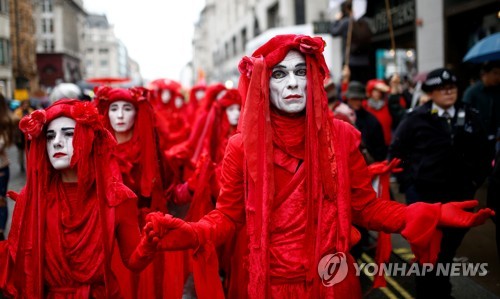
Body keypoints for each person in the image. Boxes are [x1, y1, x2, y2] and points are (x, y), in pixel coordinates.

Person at [144, 35, 494, 299]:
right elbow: (228, 217)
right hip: (265, 281)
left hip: (330, 279)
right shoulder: (242, 146)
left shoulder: (340, 137)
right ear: (263, 84)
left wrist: (426, 213)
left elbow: (365, 207)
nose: (293, 82)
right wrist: (192, 232)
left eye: (300, 71)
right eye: (279, 74)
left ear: (313, 79)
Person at [0, 99, 161, 298]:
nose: (57, 142)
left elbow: (133, 261)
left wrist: (148, 245)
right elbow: (19, 265)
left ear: (88, 138)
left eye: (68, 134)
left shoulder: (118, 197)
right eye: (50, 136)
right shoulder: (32, 197)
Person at [390, 68, 492, 298]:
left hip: (460, 198)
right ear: (430, 92)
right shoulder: (416, 118)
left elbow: (484, 154)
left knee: (446, 251)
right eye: (441, 88)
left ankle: (439, 290)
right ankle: (431, 293)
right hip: (425, 200)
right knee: (428, 253)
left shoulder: (471, 115)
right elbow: (396, 153)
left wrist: (475, 181)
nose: (448, 92)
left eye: (452, 87)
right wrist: (410, 187)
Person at [94, 86, 169, 299]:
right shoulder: (97, 149)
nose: (119, 115)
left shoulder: (147, 145)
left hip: (142, 227)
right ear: (105, 112)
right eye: (113, 108)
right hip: (108, 231)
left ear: (136, 112)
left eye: (126, 108)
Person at [345, 81, 387, 162]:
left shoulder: (371, 121)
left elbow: (379, 150)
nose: (357, 102)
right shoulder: (341, 117)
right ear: (348, 99)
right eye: (354, 99)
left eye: (359, 99)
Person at [462, 61, 500, 149]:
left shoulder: (498, 90)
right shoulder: (472, 92)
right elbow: (463, 112)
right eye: (495, 73)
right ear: (484, 74)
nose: (498, 77)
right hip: (478, 138)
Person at [0, 93, 14, 241]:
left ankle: (1, 230)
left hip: (1, 167)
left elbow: (2, 143)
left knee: (1, 200)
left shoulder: (4, 120)